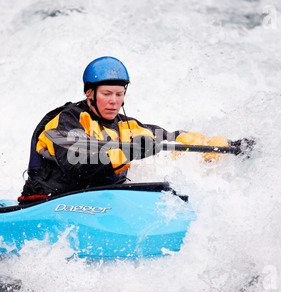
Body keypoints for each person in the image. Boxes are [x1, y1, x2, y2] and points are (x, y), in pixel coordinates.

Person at [18, 56, 231, 203]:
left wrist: (220, 147)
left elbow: (171, 140)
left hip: (101, 202)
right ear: (90, 93)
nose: (114, 101)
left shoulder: (126, 126)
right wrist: (127, 152)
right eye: (107, 94)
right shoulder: (65, 121)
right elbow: (76, 166)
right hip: (51, 202)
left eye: (119, 95)